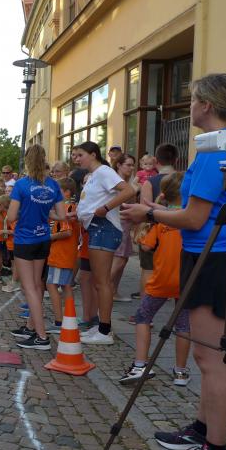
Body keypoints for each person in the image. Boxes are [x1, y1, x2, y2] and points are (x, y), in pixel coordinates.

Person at [121, 73, 226, 450]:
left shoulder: (216, 152)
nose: (190, 107)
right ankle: (202, 430)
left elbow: (194, 217)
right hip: (223, 255)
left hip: (215, 259)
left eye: (193, 99)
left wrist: (148, 213)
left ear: (207, 105)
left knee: (212, 358)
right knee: (208, 355)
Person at [120, 172, 192, 387]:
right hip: (187, 281)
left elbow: (145, 246)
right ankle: (181, 371)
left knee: (143, 317)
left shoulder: (162, 220)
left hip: (162, 280)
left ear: (164, 195)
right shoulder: (190, 219)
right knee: (183, 326)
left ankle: (140, 364)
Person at [74, 141, 136, 345]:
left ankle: (104, 331)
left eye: (80, 155)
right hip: (96, 228)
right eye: (75, 156)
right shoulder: (94, 175)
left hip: (104, 228)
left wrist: (106, 208)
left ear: (93, 154)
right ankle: (101, 326)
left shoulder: (103, 172)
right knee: (98, 282)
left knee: (102, 282)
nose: (76, 159)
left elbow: (128, 190)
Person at [7, 145, 66, 349]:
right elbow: (61, 215)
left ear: (27, 161)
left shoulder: (22, 184)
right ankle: (31, 327)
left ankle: (41, 337)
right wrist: (44, 212)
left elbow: (11, 217)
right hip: (43, 239)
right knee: (37, 285)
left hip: (25, 239)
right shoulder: (53, 184)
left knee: (29, 288)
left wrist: (24, 211)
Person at [134, 144, 179, 299]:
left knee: (148, 270)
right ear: (176, 160)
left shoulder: (150, 182)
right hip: (178, 231)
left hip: (154, 231)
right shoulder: (183, 179)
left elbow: (143, 210)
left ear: (155, 161)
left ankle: (146, 309)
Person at [44, 177, 79, 334]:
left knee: (51, 285)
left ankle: (59, 321)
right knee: (66, 286)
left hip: (60, 254)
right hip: (66, 253)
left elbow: (67, 232)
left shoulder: (64, 208)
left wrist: (49, 237)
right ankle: (69, 319)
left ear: (66, 192)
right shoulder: (71, 207)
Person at [111, 154, 139, 303]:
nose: (131, 168)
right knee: (119, 260)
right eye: (128, 164)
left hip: (126, 225)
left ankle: (113, 291)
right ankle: (103, 289)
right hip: (118, 224)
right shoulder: (116, 181)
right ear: (119, 165)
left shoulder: (128, 182)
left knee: (123, 260)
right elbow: (112, 203)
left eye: (133, 165)